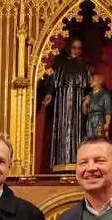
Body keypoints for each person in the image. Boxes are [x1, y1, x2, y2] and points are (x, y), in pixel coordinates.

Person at [41, 38, 92, 170]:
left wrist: (87, 97)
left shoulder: (84, 66)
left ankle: (77, 161)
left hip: (77, 105)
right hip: (62, 104)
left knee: (77, 131)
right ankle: (61, 161)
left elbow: (89, 88)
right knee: (63, 130)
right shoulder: (60, 64)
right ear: (69, 48)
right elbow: (52, 83)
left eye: (79, 48)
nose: (76, 51)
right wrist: (49, 94)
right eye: (74, 48)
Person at [83, 73, 112, 139]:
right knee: (89, 141)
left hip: (99, 121)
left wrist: (107, 124)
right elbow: (85, 113)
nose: (90, 81)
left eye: (93, 79)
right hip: (89, 122)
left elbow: (108, 110)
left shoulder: (105, 94)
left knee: (99, 141)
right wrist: (84, 104)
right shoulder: (89, 95)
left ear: (99, 81)